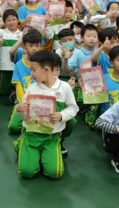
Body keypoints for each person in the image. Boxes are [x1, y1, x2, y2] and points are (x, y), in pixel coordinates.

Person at [14, 51, 79, 179]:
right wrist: (19, 109)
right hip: (31, 136)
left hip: (51, 137)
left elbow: (73, 108)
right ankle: (21, 143)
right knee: (27, 173)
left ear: (46, 70)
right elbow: (23, 116)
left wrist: (61, 115)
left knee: (54, 173)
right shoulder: (31, 88)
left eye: (33, 70)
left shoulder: (64, 87)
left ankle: (42, 155)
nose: (31, 73)